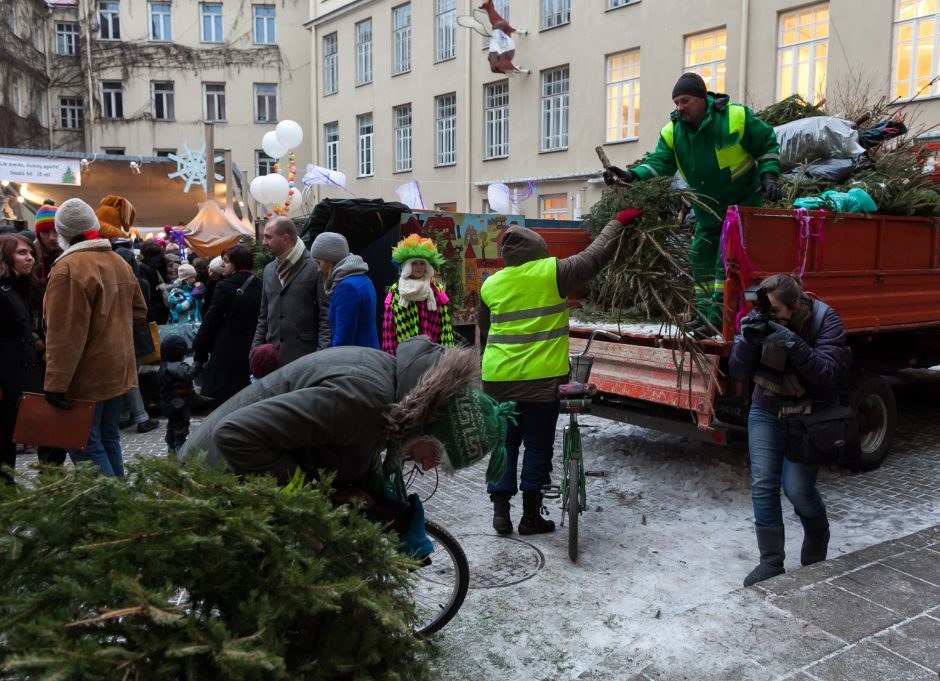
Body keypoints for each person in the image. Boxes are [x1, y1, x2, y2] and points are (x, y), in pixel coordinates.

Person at [180, 339, 513, 537]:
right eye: (437, 457)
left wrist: (376, 498)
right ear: (434, 428)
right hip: (214, 478)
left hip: (242, 478)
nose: (427, 467)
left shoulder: (395, 391)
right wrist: (310, 496)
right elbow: (237, 435)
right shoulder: (365, 398)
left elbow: (352, 444)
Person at [480, 208, 643, 535]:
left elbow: (484, 333)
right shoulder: (553, 272)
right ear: (539, 252)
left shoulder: (491, 285)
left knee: (504, 444)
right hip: (541, 382)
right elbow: (595, 256)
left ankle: (500, 512)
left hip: (497, 379)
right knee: (537, 445)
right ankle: (530, 517)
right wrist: (619, 221)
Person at [604, 72, 781, 335]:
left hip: (740, 205)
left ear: (702, 98)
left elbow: (766, 142)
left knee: (725, 261)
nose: (679, 108)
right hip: (707, 208)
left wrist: (768, 175)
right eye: (676, 102)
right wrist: (631, 176)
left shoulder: (735, 117)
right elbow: (659, 164)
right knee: (700, 258)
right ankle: (702, 314)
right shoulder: (673, 131)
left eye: (684, 101)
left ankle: (716, 319)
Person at [728, 274, 850, 586]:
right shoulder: (758, 316)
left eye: (776, 311)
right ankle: (771, 562)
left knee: (797, 489)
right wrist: (746, 340)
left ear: (796, 304)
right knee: (763, 484)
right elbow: (739, 371)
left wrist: (790, 341)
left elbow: (826, 374)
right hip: (766, 407)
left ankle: (818, 531)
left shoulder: (825, 319)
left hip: (809, 413)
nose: (767, 317)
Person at [43, 198, 148, 477]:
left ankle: (110, 511)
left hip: (84, 376)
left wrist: (55, 384)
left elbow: (64, 334)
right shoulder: (117, 261)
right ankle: (120, 507)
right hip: (117, 370)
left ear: (63, 232)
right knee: (109, 438)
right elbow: (140, 310)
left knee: (86, 445)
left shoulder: (67, 269)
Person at [252, 217, 331, 364]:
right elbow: (264, 316)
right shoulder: (269, 270)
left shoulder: (315, 266)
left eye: (268, 237)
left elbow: (325, 316)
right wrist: (254, 351)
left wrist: (321, 357)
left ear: (285, 238)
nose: (263, 242)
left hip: (306, 358)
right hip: (273, 359)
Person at [192, 244, 262, 402]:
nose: (222, 264)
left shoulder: (225, 286)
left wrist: (199, 347)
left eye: (226, 261)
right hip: (252, 347)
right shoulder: (260, 283)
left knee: (223, 399)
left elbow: (211, 319)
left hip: (227, 349)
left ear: (237, 263)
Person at [0, 234, 43, 481]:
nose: (29, 258)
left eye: (30, 253)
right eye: (22, 253)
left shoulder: (23, 287)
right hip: (6, 379)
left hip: (21, 377)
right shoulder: (3, 291)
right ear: (6, 256)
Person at [381, 235, 455, 355]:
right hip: (404, 355)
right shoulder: (396, 292)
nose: (419, 267)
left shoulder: (435, 291)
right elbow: (389, 328)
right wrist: (390, 356)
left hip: (432, 354)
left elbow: (444, 326)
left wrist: (447, 356)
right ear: (407, 266)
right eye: (415, 263)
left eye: (422, 263)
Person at [114, 247, 159, 434]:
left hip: (121, 333)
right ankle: (140, 417)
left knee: (128, 377)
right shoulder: (141, 282)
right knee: (131, 377)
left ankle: (127, 416)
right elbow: (143, 309)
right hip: (138, 333)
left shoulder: (112, 283)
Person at [310, 231, 379, 349]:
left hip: (354, 360)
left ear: (330, 260)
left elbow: (343, 340)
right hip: (368, 355)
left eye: (319, 262)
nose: (318, 268)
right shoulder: (362, 278)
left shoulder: (347, 288)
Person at [158, 335, 194, 457]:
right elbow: (191, 374)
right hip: (180, 404)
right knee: (181, 429)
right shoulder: (180, 368)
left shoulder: (163, 367)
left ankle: (171, 452)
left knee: (171, 427)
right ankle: (181, 456)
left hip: (167, 404)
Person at [138, 240, 170, 324]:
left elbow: (145, 289)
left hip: (151, 306)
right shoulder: (163, 263)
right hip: (163, 304)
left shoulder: (143, 267)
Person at [32, 201, 61, 289]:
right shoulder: (30, 258)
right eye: (45, 232)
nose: (52, 237)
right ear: (38, 234)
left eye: (56, 230)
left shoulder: (75, 255)